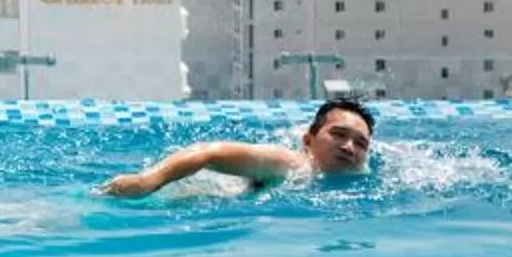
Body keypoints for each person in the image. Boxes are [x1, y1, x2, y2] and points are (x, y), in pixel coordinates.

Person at [101, 98, 375, 199]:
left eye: (361, 143)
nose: (349, 147)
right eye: (338, 135)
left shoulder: (362, 183)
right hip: (199, 195)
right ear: (308, 141)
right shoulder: (290, 163)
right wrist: (147, 181)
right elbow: (208, 152)